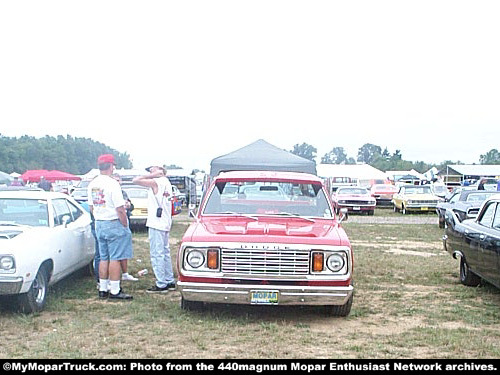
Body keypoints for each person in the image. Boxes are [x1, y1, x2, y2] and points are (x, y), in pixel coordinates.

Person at [87, 154, 133, 300]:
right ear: (111, 166)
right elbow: (120, 208)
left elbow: (91, 207)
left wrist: (98, 217)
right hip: (113, 222)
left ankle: (103, 287)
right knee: (116, 258)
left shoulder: (92, 184)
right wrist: (124, 223)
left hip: (99, 222)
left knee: (103, 257)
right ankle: (115, 289)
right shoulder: (113, 184)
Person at [133, 163, 175, 293]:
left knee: (157, 253)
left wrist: (151, 175)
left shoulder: (157, 182)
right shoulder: (167, 182)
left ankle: (161, 283)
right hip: (165, 221)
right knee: (165, 252)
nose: (150, 171)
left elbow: (136, 180)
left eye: (152, 169)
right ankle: (169, 279)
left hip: (156, 222)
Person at [111, 173, 137, 282]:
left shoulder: (123, 193)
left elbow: (131, 206)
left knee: (125, 248)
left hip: (125, 220)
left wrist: (129, 206)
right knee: (115, 252)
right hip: (116, 222)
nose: (118, 182)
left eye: (119, 180)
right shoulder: (110, 191)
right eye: (115, 180)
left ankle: (125, 273)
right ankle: (112, 279)